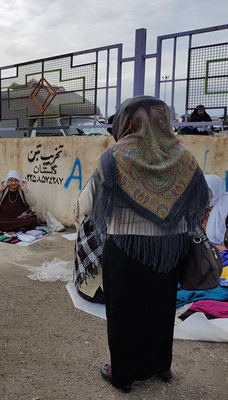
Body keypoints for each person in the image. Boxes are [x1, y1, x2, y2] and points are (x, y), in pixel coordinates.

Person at [75, 96, 209, 392]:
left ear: (126, 121)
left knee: (124, 312)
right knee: (161, 308)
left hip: (125, 248)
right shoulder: (183, 156)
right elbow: (203, 198)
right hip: (170, 248)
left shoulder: (114, 158)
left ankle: (123, 374)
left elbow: (86, 204)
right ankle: (162, 366)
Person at [203, 174, 228, 248]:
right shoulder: (203, 209)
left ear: (217, 188)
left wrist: (225, 248)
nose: (205, 196)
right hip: (209, 252)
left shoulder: (225, 207)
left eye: (209, 191)